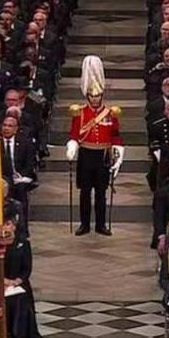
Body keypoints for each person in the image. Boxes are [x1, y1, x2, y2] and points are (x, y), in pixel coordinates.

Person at [65, 55, 124, 236]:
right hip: (86, 155)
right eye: (93, 96)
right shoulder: (80, 113)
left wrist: (118, 152)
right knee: (84, 192)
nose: (96, 99)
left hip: (103, 156)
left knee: (101, 193)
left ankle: (100, 224)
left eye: (98, 96)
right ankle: (84, 224)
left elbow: (115, 135)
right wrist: (72, 146)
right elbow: (75, 133)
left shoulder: (110, 114)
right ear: (88, 96)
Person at [1, 203, 46, 338]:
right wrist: (5, 281)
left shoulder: (23, 244)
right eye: (3, 225)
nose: (6, 228)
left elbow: (27, 268)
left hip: (19, 283)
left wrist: (17, 281)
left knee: (21, 299)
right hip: (1, 283)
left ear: (14, 226)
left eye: (8, 224)